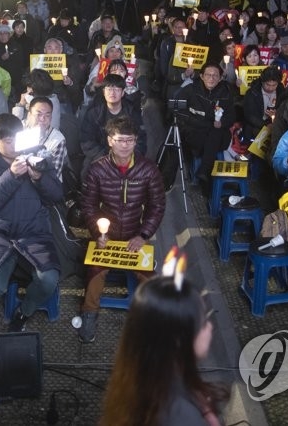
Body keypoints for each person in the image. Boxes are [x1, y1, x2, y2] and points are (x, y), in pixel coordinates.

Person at [100, 254, 225, 426]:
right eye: (203, 322)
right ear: (178, 340)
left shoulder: (138, 377)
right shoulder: (180, 416)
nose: (210, 327)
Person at [0, 114, 64, 335]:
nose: (13, 146)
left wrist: (39, 176)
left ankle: (25, 311)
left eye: (16, 139)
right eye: (7, 141)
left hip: (35, 232)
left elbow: (57, 195)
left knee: (49, 280)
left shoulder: (36, 155)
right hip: (0, 233)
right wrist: (11, 175)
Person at [77, 116, 166, 343]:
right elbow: (88, 206)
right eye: (119, 140)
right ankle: (89, 313)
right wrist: (98, 234)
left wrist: (143, 235)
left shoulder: (148, 169)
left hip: (134, 235)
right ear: (109, 141)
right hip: (106, 237)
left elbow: (157, 206)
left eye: (130, 140)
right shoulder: (97, 170)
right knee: (94, 273)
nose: (124, 145)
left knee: (149, 277)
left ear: (136, 142)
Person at [177, 63, 236, 187]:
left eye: (215, 76)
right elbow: (177, 109)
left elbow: (232, 116)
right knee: (211, 135)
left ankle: (204, 171)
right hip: (195, 130)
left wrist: (222, 122)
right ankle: (205, 172)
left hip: (217, 132)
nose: (211, 78)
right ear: (202, 76)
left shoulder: (226, 93)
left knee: (216, 131)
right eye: (208, 75)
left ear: (220, 78)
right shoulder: (190, 89)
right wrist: (198, 122)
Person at [81, 73, 147, 168]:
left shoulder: (132, 113)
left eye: (116, 89)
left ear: (123, 93)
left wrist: (127, 156)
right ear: (104, 92)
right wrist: (106, 157)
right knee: (87, 170)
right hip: (100, 156)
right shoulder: (94, 114)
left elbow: (141, 140)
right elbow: (87, 141)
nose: (112, 93)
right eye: (109, 89)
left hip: (127, 155)